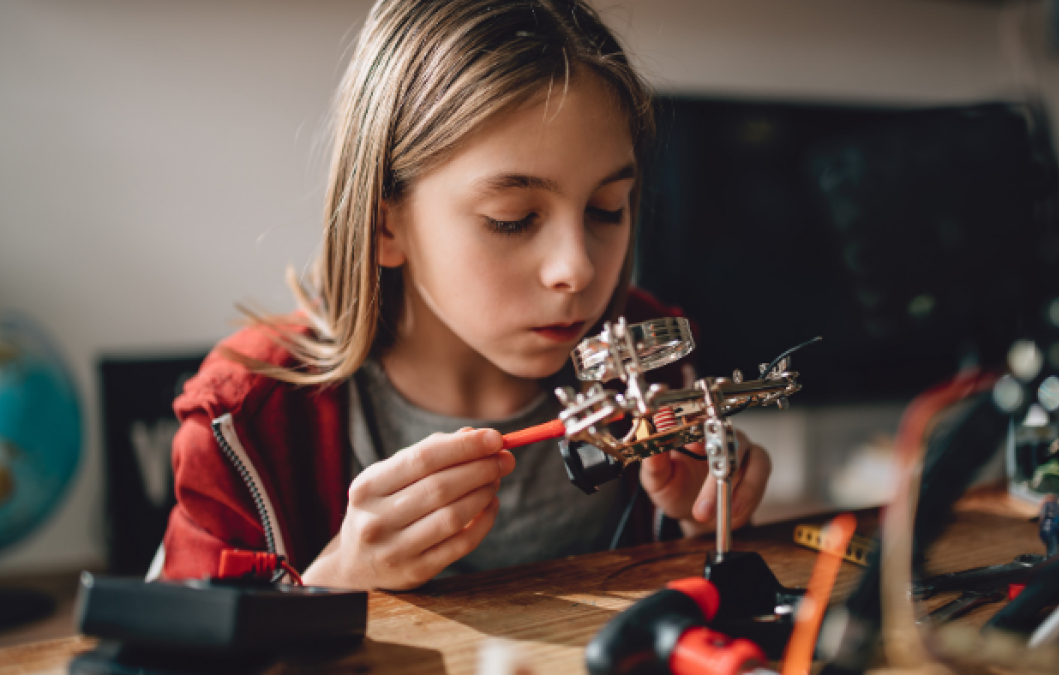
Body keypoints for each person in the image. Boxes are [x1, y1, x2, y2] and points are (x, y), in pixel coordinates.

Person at [161, 0, 771, 591]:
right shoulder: (244, 421)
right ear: (385, 227)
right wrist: (334, 581)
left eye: (606, 210)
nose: (577, 269)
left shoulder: (659, 356)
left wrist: (701, 522)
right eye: (512, 218)